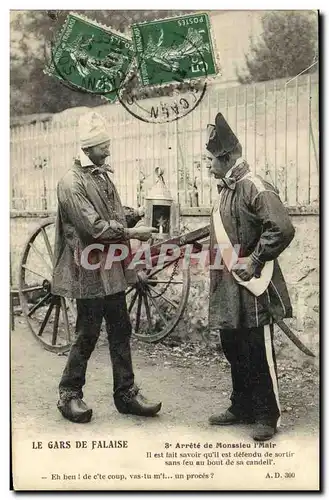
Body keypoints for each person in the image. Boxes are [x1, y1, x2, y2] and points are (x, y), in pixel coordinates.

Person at [52, 110, 161, 423]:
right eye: (104, 146)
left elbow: (110, 214)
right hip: (86, 269)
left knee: (120, 328)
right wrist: (130, 232)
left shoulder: (100, 175)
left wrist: (137, 214)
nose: (109, 150)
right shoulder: (71, 183)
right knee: (87, 332)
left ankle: (126, 394)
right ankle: (69, 395)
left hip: (110, 269)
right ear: (88, 149)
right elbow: (94, 228)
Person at [206, 113, 295, 441]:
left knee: (257, 348)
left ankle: (266, 414)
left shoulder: (254, 186)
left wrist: (255, 260)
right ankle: (241, 405)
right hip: (230, 286)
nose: (207, 165)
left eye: (210, 159)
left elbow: (282, 228)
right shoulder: (226, 189)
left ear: (226, 157)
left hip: (253, 284)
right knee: (233, 345)